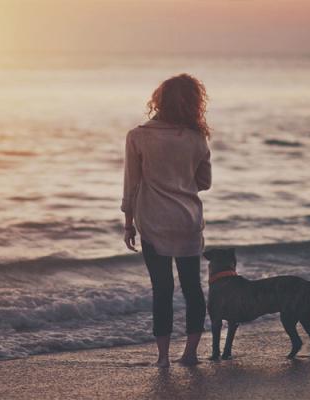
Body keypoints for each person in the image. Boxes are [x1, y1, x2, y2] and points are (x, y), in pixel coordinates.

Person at [120, 73, 212, 367]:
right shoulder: (197, 137)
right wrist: (180, 182)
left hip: (153, 222)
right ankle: (190, 354)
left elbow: (131, 184)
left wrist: (128, 223)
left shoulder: (138, 135)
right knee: (192, 288)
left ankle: (162, 358)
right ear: (194, 103)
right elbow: (205, 182)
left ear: (159, 100)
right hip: (187, 221)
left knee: (162, 289)